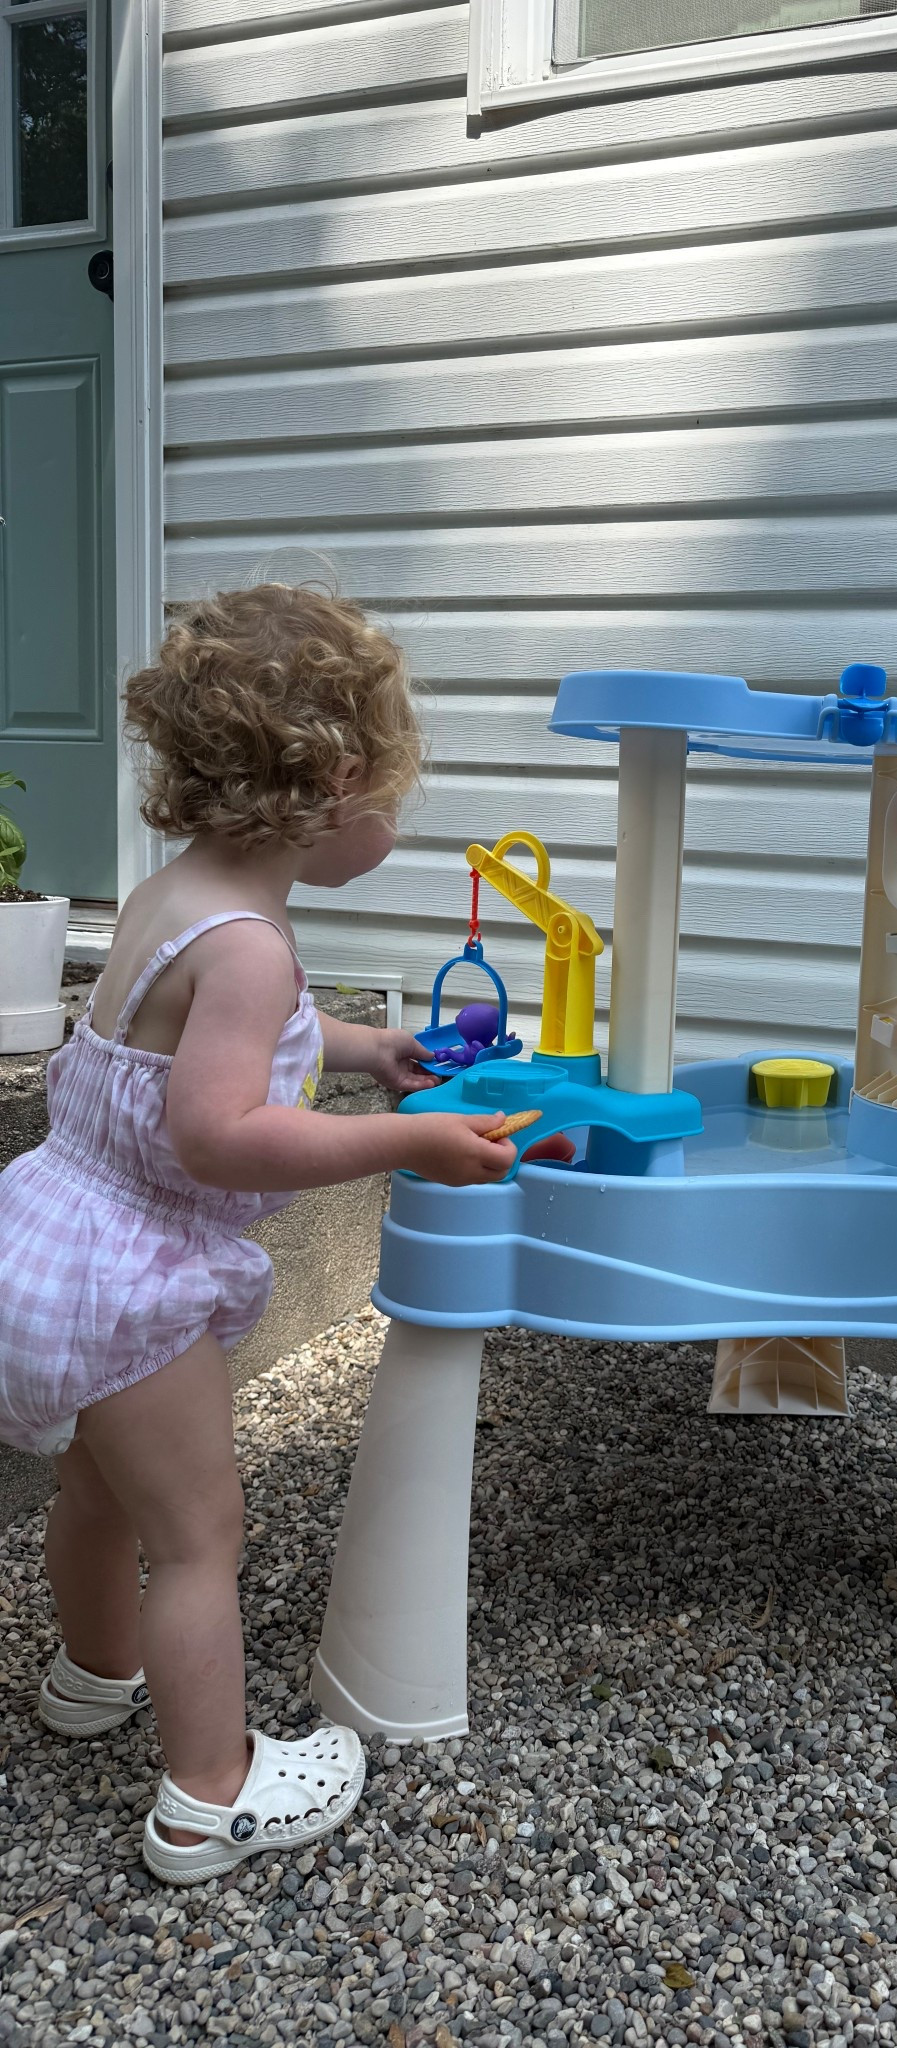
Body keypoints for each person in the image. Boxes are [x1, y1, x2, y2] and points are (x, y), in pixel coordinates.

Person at [0, 584, 517, 1884]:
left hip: (58, 1232)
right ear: (337, 784)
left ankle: (92, 1675)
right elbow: (221, 1131)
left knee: (99, 1492)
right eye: (391, 794)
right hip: (139, 1279)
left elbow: (193, 1042)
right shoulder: (255, 954)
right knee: (199, 1537)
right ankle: (209, 1794)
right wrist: (401, 1140)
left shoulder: (177, 895)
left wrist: (358, 1046)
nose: (393, 820)